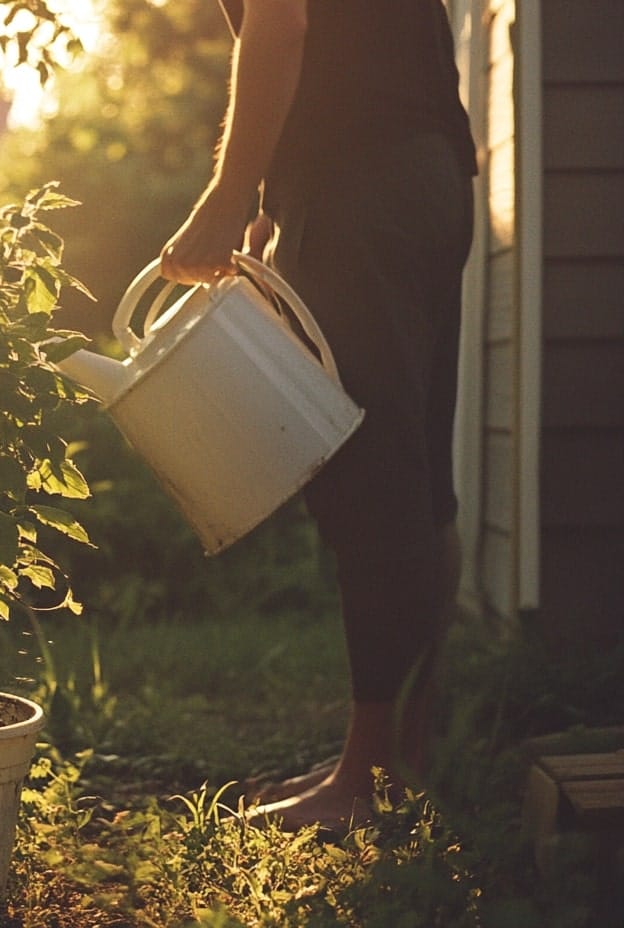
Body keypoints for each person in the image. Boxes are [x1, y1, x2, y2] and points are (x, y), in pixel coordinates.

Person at [160, 0, 477, 831]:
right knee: (416, 476)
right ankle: (406, 752)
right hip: (425, 172)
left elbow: (284, 23)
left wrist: (230, 194)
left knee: (370, 478)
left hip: (360, 185)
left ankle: (371, 780)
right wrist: (276, 200)